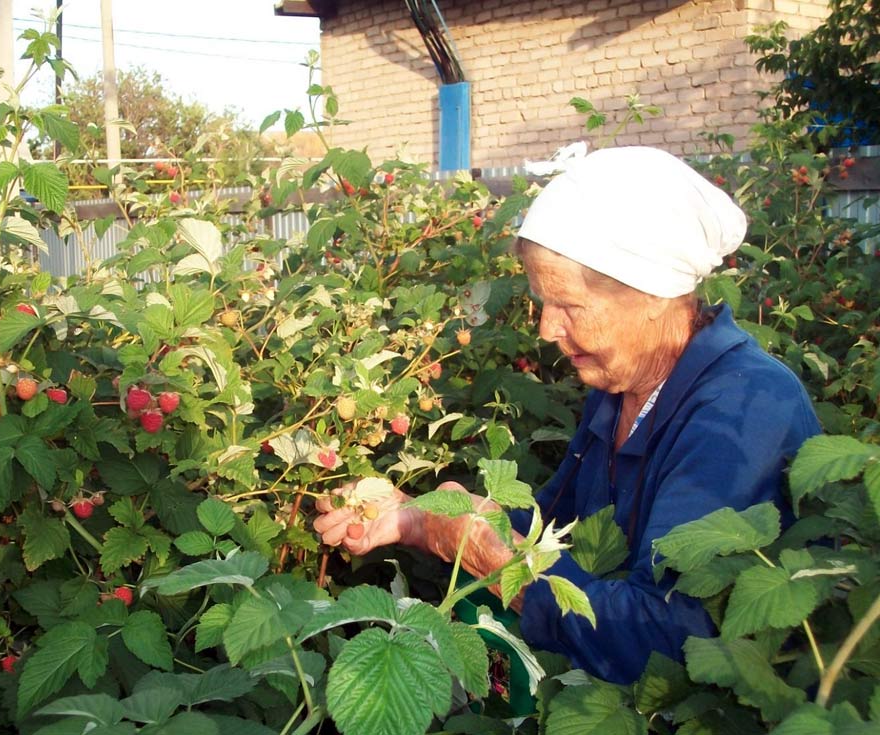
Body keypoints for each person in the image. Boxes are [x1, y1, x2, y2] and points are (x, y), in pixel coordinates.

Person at [313, 146, 821, 684]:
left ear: (653, 294)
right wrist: (418, 516)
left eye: (569, 306)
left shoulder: (745, 411)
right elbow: (559, 530)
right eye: (541, 302)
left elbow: (675, 641)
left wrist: (491, 556)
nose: (546, 330)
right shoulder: (620, 385)